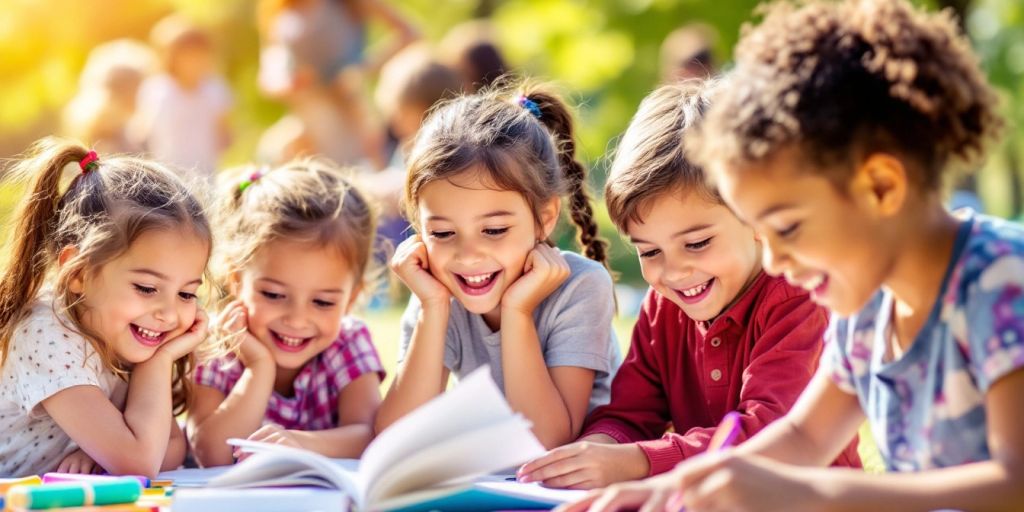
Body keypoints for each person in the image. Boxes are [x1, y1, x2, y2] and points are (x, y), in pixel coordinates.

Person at [560, 1, 1023, 510]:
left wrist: (813, 493)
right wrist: (660, 489)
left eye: (787, 227)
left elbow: (1014, 481)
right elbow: (802, 439)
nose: (775, 260)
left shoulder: (999, 280)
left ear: (881, 186)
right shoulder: (868, 308)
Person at [518, 81, 858, 491]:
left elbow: (769, 433)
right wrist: (594, 451)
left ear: (755, 216)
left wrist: (637, 461)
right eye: (649, 252)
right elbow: (629, 415)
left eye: (696, 243)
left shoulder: (797, 297)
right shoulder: (664, 307)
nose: (675, 272)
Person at [374, 84, 622, 449]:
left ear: (544, 217)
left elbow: (548, 440)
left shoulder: (581, 287)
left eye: (493, 230)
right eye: (442, 232)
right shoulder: (438, 295)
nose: (468, 255)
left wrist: (517, 311)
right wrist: (432, 308)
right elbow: (394, 437)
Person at [0, 139, 211, 477]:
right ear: (79, 272)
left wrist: (104, 452)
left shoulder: (120, 328)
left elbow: (170, 449)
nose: (169, 315)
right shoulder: (46, 335)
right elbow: (141, 462)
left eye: (186, 294)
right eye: (146, 288)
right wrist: (157, 367)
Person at [188, 160, 385, 465]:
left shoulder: (348, 342)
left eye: (323, 302)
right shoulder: (215, 347)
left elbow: (371, 434)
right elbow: (210, 452)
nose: (296, 319)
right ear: (237, 280)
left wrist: (300, 443)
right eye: (275, 295)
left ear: (351, 298)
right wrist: (259, 368)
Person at [130, 14, 232, 180]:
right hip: (167, 175)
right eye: (187, 56)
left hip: (206, 174)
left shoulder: (215, 89)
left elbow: (224, 133)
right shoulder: (157, 90)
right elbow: (142, 132)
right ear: (171, 57)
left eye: (199, 55)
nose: (194, 62)